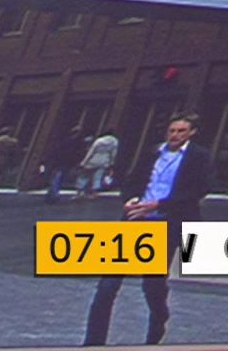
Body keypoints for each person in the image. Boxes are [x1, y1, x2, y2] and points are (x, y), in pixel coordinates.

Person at [83, 112, 212, 346]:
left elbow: (198, 190)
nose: (175, 135)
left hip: (166, 223)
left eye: (181, 131)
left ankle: (158, 319)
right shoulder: (152, 153)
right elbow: (132, 181)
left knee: (152, 284)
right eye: (172, 131)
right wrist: (130, 199)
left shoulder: (199, 157)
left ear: (192, 132)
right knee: (107, 285)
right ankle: (93, 342)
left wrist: (158, 205)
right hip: (135, 221)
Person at [42, 130, 85, 204]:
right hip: (64, 163)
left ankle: (52, 194)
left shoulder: (63, 142)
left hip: (59, 162)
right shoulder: (73, 143)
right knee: (58, 178)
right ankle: (53, 195)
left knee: (56, 178)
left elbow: (55, 152)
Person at [78, 130, 120, 198]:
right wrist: (111, 163)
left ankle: (80, 191)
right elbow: (113, 154)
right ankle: (94, 193)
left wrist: (84, 162)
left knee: (84, 176)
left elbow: (91, 152)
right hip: (104, 161)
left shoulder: (99, 141)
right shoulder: (115, 142)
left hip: (93, 160)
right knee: (97, 177)